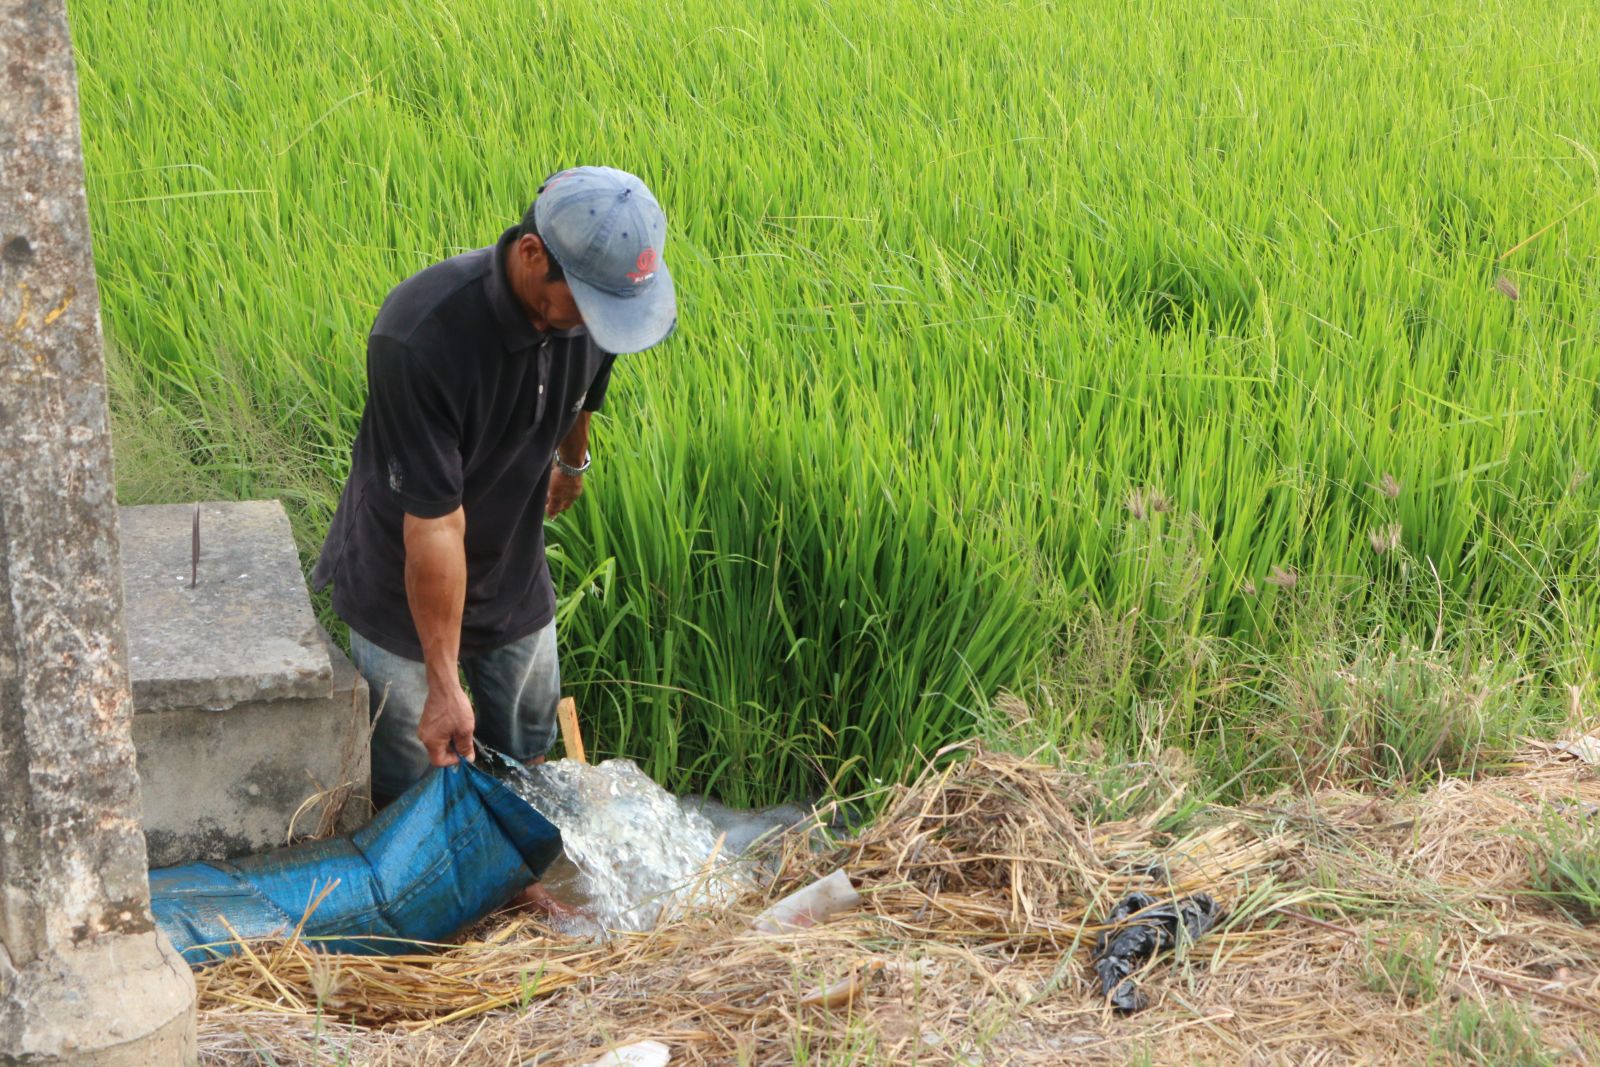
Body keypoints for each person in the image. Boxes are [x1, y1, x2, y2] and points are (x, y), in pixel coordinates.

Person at [312, 166, 676, 910]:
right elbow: (435, 526)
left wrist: (572, 459)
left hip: (511, 566)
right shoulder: (421, 335)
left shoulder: (587, 315)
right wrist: (445, 684)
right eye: (589, 305)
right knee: (418, 773)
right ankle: (436, 909)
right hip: (403, 582)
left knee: (527, 750)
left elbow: (585, 387)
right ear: (534, 255)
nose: (598, 323)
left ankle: (516, 879)